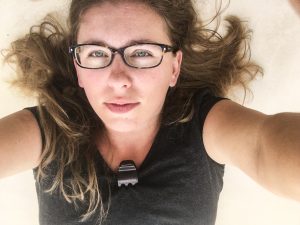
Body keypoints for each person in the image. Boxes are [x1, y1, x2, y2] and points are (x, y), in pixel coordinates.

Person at [0, 0, 299, 225]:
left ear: (174, 67)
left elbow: (263, 146)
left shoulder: (205, 125)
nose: (118, 78)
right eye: (97, 53)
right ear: (79, 67)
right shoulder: (47, 130)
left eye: (142, 52)